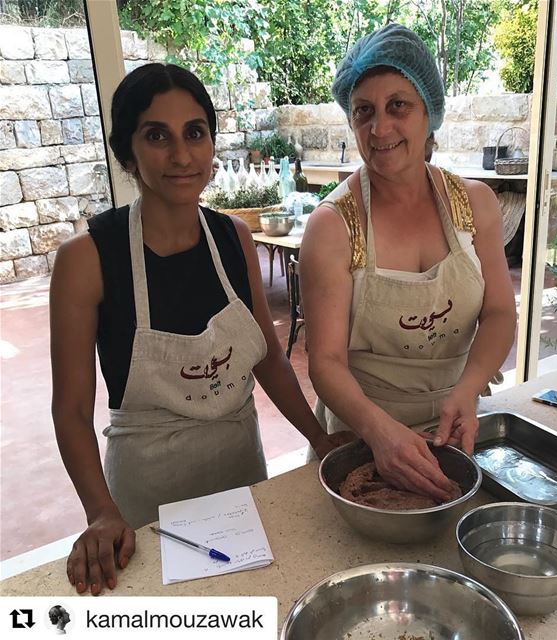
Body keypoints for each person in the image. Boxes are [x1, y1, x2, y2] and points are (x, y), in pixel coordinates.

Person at [50, 63, 351, 596]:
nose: (182, 155)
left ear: (212, 142)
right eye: (156, 135)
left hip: (240, 473)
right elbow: (71, 409)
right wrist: (101, 513)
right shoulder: (87, 259)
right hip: (146, 498)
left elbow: (267, 358)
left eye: (195, 132)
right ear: (127, 152)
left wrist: (319, 438)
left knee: (252, 609)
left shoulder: (233, 237)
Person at [300, 24, 516, 500]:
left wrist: (469, 387)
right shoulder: (334, 227)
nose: (380, 129)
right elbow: (326, 363)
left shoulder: (474, 206)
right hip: (361, 439)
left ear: (428, 113)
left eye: (398, 105)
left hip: (458, 431)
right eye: (364, 111)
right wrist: (380, 433)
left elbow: (500, 314)